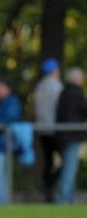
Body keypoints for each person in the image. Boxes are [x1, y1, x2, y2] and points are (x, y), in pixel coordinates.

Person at [54, 67, 87, 204]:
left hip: (63, 136)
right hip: (72, 136)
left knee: (68, 168)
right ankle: (63, 200)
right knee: (69, 170)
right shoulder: (75, 93)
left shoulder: (64, 92)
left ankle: (69, 198)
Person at [34, 58, 63, 203]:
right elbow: (59, 107)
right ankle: (51, 185)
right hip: (54, 129)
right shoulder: (56, 85)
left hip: (42, 129)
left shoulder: (40, 86)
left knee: (48, 161)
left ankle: (47, 188)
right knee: (63, 161)